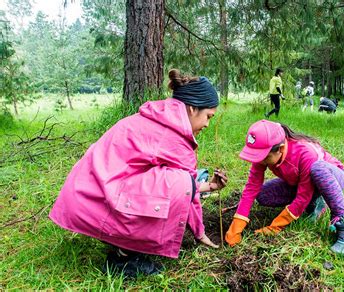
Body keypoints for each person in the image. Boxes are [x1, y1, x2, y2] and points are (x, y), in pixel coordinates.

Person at [49, 69, 228, 278]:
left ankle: (119, 240)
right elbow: (187, 190)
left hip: (85, 194)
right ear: (191, 108)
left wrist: (209, 186)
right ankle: (123, 258)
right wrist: (199, 232)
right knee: (181, 183)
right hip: (99, 197)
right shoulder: (175, 137)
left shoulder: (159, 116)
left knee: (184, 179)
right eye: (208, 116)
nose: (207, 124)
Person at [225, 120, 344, 255]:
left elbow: (303, 196)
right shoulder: (264, 154)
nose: (260, 161)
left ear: (280, 149)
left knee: (318, 170)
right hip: (300, 183)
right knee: (263, 195)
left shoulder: (305, 153)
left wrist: (276, 226)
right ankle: (315, 202)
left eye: (264, 157)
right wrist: (237, 225)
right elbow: (251, 188)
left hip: (331, 179)